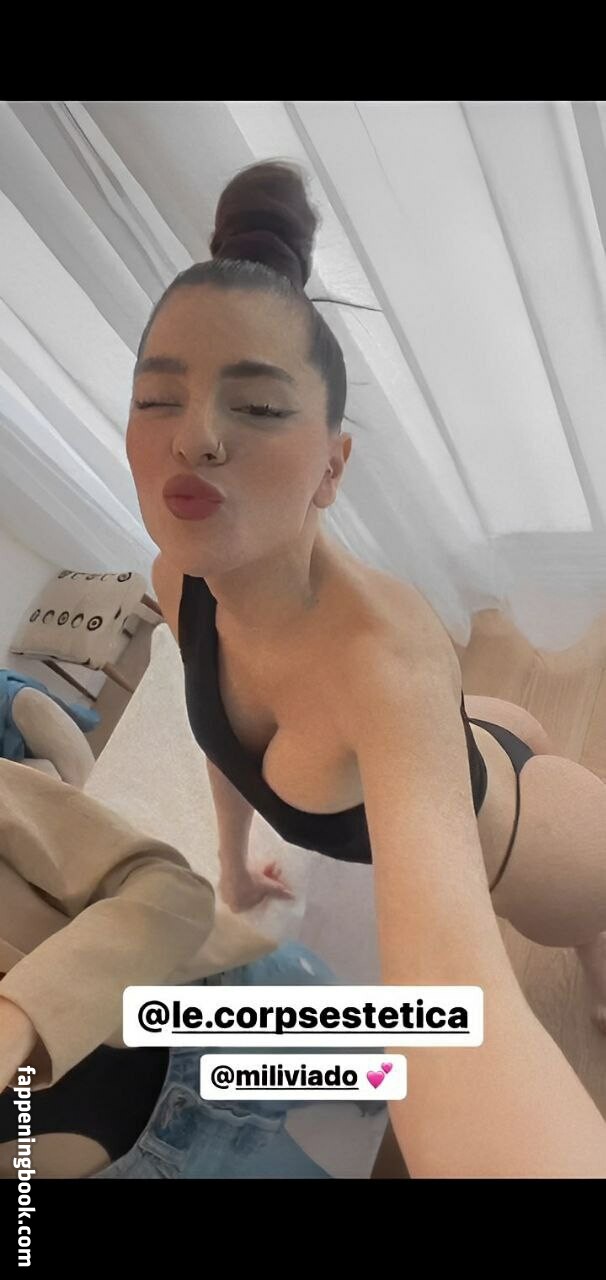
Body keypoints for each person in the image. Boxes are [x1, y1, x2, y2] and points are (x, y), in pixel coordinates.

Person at [125, 158, 606, 1176]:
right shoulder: (179, 577)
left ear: (332, 466)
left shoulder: (386, 658)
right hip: (463, 739)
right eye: (158, 398)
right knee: (482, 732)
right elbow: (215, 729)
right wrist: (231, 860)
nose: (193, 439)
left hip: (536, 844)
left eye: (257, 408)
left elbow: (459, 1005)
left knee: (593, 941)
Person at [0, 759, 337, 1179]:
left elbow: (170, 888)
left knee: (392, 1064)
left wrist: (20, 1019)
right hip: (151, 1166)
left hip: (224, 1007)